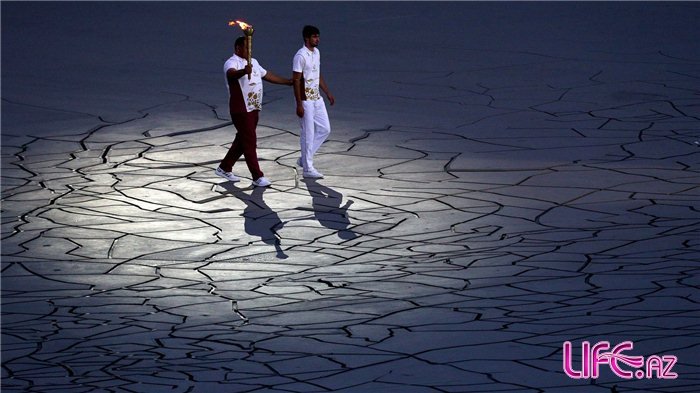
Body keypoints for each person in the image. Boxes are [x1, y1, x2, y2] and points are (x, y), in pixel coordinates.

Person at [215, 36, 292, 187]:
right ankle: (257, 176)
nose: (249, 51)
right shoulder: (231, 62)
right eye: (246, 48)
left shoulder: (254, 62)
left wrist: (288, 82)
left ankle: (224, 167)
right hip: (241, 109)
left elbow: (267, 75)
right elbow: (231, 74)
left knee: (242, 140)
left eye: (250, 48)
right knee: (250, 142)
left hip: (254, 108)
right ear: (238, 49)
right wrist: (244, 71)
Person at [293, 25, 335, 179]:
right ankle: (308, 168)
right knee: (308, 134)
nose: (317, 39)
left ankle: (304, 159)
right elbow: (296, 80)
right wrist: (299, 104)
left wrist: (328, 92)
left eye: (318, 36)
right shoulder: (300, 56)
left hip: (317, 98)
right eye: (314, 37)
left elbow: (317, 74)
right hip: (306, 101)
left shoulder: (316, 52)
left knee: (325, 129)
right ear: (307, 38)